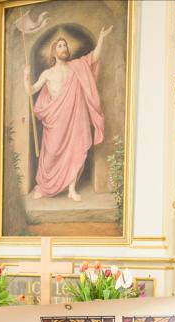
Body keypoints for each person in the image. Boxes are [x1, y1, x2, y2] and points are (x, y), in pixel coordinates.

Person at [23, 25, 113, 201]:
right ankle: (44, 186)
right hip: (56, 122)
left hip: (76, 120)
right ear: (54, 52)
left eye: (65, 46)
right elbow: (31, 90)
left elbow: (94, 57)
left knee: (77, 151)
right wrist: (26, 77)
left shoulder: (77, 67)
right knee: (50, 154)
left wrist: (101, 37)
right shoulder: (47, 73)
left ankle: (72, 189)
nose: (64, 49)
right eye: (60, 46)